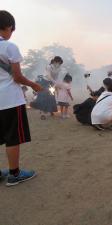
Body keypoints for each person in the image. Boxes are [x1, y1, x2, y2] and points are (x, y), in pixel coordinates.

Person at [0, 10, 43, 186]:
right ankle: (14, 174)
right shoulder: (9, 46)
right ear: (9, 26)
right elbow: (17, 77)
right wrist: (34, 85)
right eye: (12, 29)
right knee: (12, 137)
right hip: (9, 99)